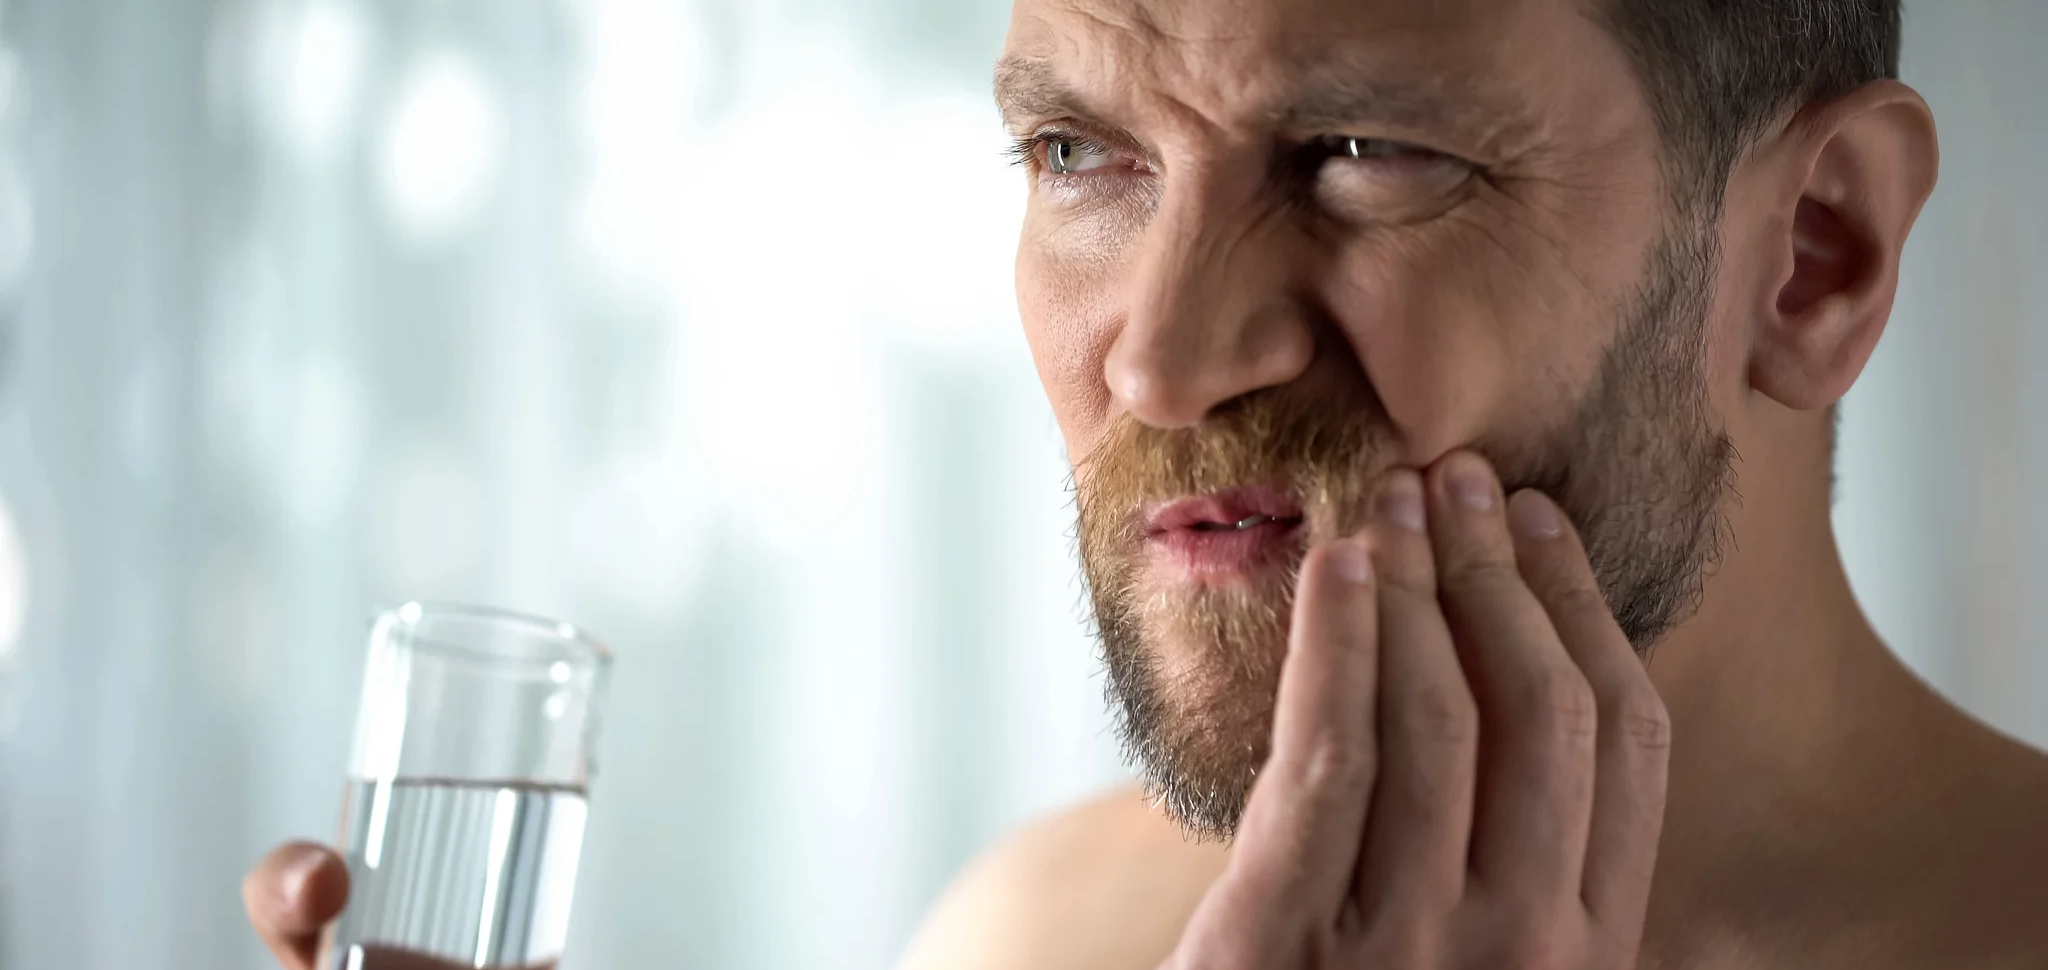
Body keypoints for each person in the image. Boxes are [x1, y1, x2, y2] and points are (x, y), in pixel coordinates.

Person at [244, 0, 2048, 967]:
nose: (1163, 362)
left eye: (1364, 152)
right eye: (1077, 153)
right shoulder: (1032, 941)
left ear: (1812, 257)